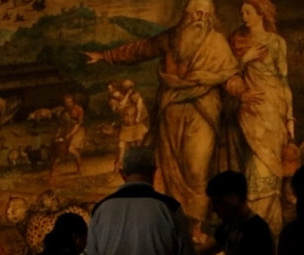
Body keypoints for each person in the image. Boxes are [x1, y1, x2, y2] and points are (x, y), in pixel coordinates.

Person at [85, 0, 239, 242]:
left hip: (202, 112)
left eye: (205, 14)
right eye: (195, 12)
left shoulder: (217, 44)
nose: (200, 18)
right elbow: (140, 49)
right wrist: (105, 56)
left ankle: (197, 225)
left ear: (211, 17)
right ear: (185, 14)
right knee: (168, 170)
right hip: (169, 111)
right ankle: (172, 223)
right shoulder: (171, 39)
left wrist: (238, 87)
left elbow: (228, 75)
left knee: (196, 168)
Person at [222, 0, 294, 232]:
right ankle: (253, 228)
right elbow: (225, 74)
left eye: (248, 12)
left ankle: (270, 230)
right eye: (241, 12)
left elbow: (283, 82)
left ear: (261, 14)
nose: (244, 16)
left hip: (274, 110)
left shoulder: (276, 43)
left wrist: (290, 118)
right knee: (255, 167)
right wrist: (244, 59)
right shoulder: (235, 40)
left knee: (272, 170)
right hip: (250, 112)